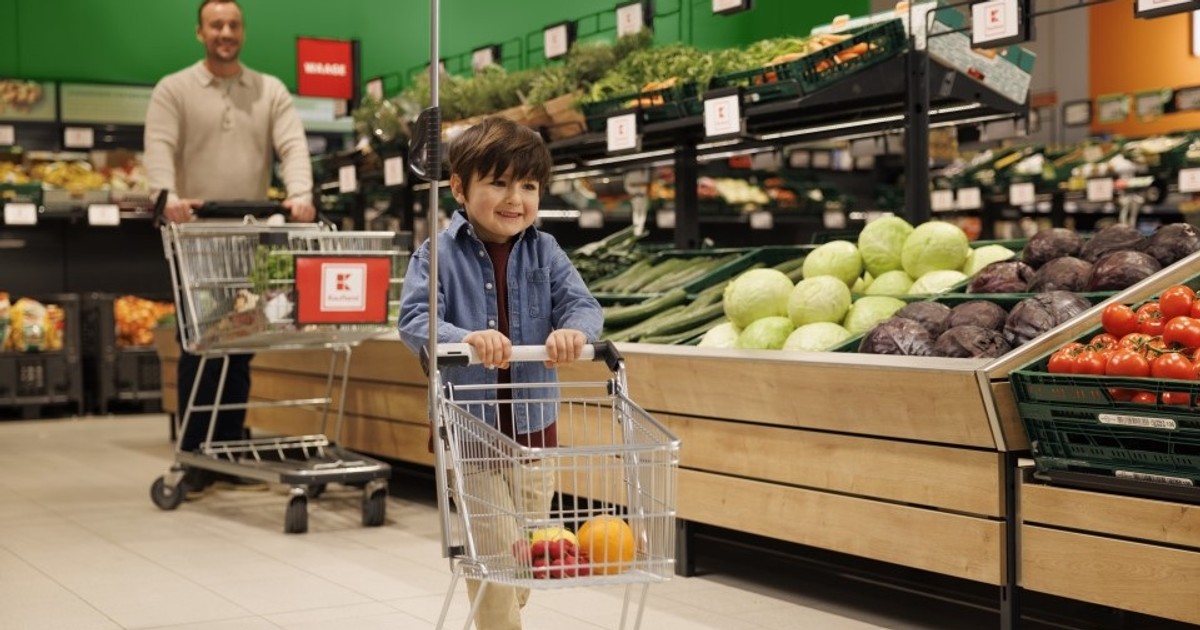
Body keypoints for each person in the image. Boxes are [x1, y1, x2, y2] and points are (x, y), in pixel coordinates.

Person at [397, 116, 603, 630]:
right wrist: (462, 339)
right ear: (459, 188)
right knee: (497, 556)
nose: (515, 198)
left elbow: (583, 306)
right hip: (471, 432)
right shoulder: (437, 255)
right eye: (498, 182)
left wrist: (572, 332)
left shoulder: (546, 251)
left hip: (536, 431)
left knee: (529, 553)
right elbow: (415, 319)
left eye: (528, 186)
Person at [144, 0, 316, 496]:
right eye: (216, 24)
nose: (226, 32)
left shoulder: (269, 90)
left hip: (249, 237)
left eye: (234, 24)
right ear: (200, 32)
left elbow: (293, 146)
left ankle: (229, 448)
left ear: (242, 31)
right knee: (199, 345)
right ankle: (198, 450)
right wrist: (167, 197)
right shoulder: (173, 89)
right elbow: (158, 145)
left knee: (242, 345)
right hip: (193, 240)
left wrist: (300, 194)